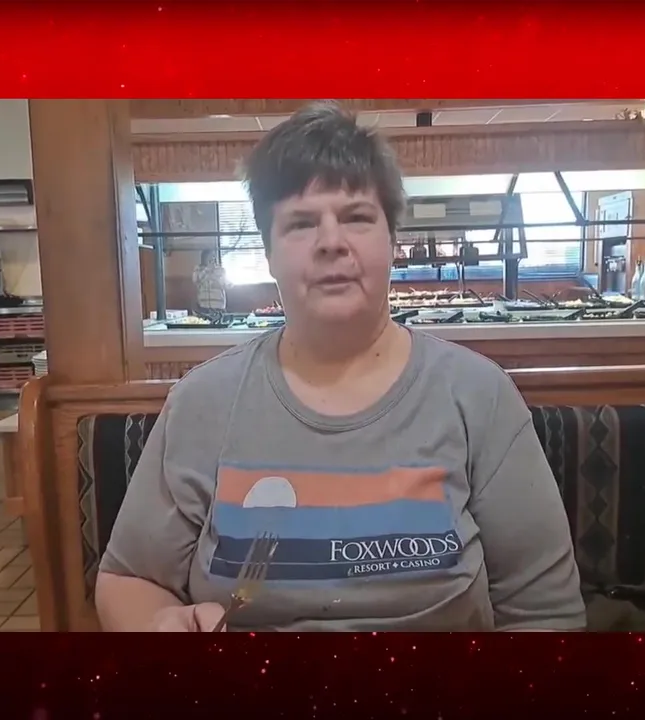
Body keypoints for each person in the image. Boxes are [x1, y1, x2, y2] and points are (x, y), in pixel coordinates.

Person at [96, 102, 586, 632]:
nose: (331, 242)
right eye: (301, 223)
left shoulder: (479, 396)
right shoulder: (203, 402)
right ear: (268, 253)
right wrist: (162, 626)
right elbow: (128, 578)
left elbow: (544, 611)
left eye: (356, 217)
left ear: (392, 242)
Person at [192, 249, 227, 323]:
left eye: (213, 256)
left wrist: (215, 275)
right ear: (204, 258)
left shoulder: (221, 270)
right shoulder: (198, 269)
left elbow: (225, 284)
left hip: (218, 305)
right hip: (203, 305)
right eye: (209, 256)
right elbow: (196, 280)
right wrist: (207, 269)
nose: (212, 258)